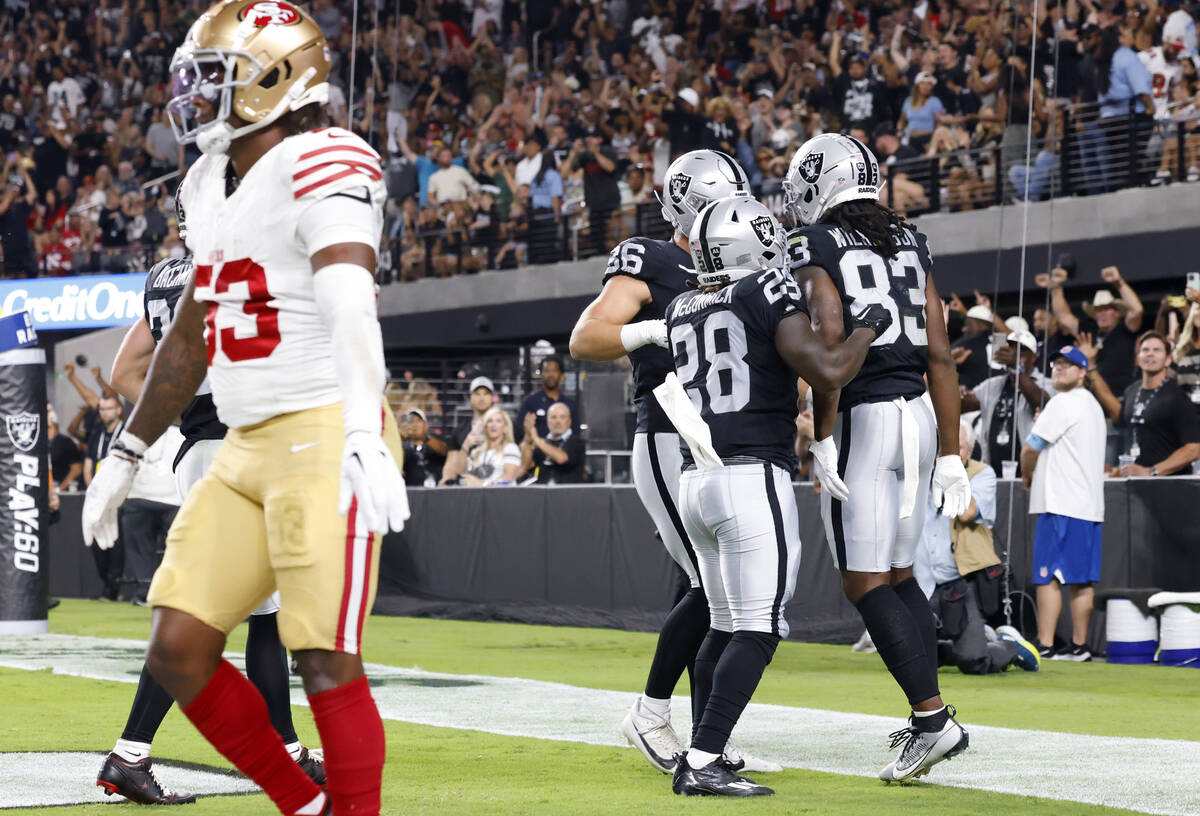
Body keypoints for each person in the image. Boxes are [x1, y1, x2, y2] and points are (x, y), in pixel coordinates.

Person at [81, 5, 408, 815]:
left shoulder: (326, 158)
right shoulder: (207, 180)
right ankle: (304, 803)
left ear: (274, 79)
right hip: (242, 445)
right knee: (179, 645)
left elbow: (349, 302)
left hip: (324, 427)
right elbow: (191, 332)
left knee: (321, 656)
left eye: (212, 78)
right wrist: (126, 453)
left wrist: (363, 431)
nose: (193, 96)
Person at [667, 197, 888, 797]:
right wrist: (868, 325)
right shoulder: (762, 288)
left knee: (723, 623)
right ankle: (703, 761)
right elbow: (828, 369)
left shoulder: (682, 305)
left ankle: (703, 747)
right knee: (760, 627)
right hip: (748, 477)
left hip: (696, 480)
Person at [98, 240, 324, 804]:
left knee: (266, 611)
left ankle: (285, 749)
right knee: (199, 617)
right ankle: (129, 754)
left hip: (202, 450)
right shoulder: (243, 263)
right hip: (239, 452)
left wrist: (183, 413)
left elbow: (124, 371)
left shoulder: (166, 276)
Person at [784, 132, 971, 783]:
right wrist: (952, 452)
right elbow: (941, 353)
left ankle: (932, 721)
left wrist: (823, 434)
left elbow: (832, 339)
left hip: (864, 415)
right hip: (919, 414)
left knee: (863, 583)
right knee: (899, 576)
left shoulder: (815, 243)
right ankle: (931, 715)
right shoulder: (910, 240)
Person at [569, 149, 759, 776]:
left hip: (724, 441)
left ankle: (710, 740)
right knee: (713, 586)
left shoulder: (743, 263)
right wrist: (648, 332)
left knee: (713, 586)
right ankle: (650, 713)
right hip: (670, 436)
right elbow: (585, 337)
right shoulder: (653, 259)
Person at [915, 420, 1041, 675]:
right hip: (921, 580)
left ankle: (1009, 646)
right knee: (912, 658)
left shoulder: (982, 474)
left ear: (970, 451)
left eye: (957, 447)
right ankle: (947, 649)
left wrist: (948, 471)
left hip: (960, 581)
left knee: (974, 661)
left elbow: (967, 512)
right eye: (943, 446)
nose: (948, 452)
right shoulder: (919, 474)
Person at [1019, 346, 1106, 661]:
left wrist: (1027, 476)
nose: (1059, 368)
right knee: (1081, 580)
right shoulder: (1093, 406)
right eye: (1056, 363)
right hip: (1089, 506)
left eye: (1067, 365)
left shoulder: (1062, 402)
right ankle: (1080, 647)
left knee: (1048, 576)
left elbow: (1030, 449)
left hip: (1060, 504)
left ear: (1083, 373)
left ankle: (1045, 644)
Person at [1087, 331, 1200, 475]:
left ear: (1168, 360)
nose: (1150, 354)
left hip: (1168, 483)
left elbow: (1194, 448)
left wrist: (1151, 471)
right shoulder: (1131, 391)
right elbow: (1120, 418)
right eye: (1145, 350)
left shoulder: (1178, 397)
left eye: (1157, 350)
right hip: (1135, 482)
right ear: (1138, 359)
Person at [960, 330, 1052, 476]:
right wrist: (959, 389)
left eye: (1022, 350)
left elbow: (1040, 402)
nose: (1015, 353)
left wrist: (1016, 368)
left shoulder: (1046, 384)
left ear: (1034, 357)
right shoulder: (993, 384)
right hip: (993, 471)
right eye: (1011, 348)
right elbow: (962, 405)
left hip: (1029, 472)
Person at [1047, 265, 1145, 394]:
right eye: (1098, 310)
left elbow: (1137, 310)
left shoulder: (1125, 330)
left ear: (1117, 312)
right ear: (1094, 315)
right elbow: (1063, 317)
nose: (1102, 313)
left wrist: (1118, 282)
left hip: (1119, 397)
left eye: (1107, 309)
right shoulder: (1089, 331)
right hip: (1089, 395)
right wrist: (1056, 287)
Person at [84, 392, 125, 601]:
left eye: (109, 408)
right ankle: (106, 585)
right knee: (96, 540)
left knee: (116, 542)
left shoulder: (126, 434)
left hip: (118, 497)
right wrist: (94, 491)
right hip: (97, 497)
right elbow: (88, 466)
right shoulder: (96, 434)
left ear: (119, 410)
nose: (105, 412)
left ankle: (113, 589)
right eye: (102, 409)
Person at [441, 375, 497, 485]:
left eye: (486, 393)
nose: (481, 398)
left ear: (492, 398)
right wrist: (446, 480)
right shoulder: (459, 430)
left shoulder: (504, 427)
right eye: (477, 394)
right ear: (470, 398)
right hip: (467, 485)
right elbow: (451, 466)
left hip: (496, 484)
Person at [520, 402, 585, 484]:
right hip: (543, 490)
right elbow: (527, 465)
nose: (558, 421)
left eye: (562, 417)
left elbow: (562, 458)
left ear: (569, 421)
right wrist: (528, 436)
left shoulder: (577, 442)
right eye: (553, 417)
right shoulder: (543, 443)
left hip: (567, 490)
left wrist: (536, 439)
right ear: (547, 421)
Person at [517, 355, 576, 441]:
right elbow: (520, 431)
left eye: (555, 370)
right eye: (546, 370)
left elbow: (576, 432)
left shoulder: (570, 404)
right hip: (536, 448)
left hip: (565, 448)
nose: (551, 374)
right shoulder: (530, 402)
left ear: (561, 374)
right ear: (541, 374)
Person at [462, 406, 521, 486]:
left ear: (505, 427)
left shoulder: (511, 448)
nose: (494, 425)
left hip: (502, 493)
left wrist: (483, 484)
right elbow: (465, 474)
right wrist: (465, 446)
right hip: (478, 493)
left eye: (498, 421)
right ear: (485, 427)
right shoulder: (477, 452)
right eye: (490, 421)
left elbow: (508, 478)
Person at [399, 407, 448, 487]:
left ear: (426, 425)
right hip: (411, 490)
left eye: (418, 421)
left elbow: (444, 450)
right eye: (411, 421)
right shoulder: (404, 447)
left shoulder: (434, 442)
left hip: (435, 490)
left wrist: (424, 438)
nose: (414, 424)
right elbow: (396, 461)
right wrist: (400, 437)